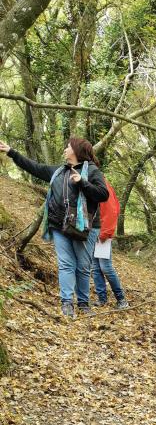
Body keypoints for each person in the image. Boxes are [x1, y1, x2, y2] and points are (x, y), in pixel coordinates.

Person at [0, 136, 109, 317]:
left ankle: (83, 303)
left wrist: (82, 182)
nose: (65, 149)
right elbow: (34, 167)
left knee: (82, 266)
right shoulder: (59, 172)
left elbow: (103, 195)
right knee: (66, 264)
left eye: (68, 147)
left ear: (76, 151)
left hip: (85, 227)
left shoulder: (92, 171)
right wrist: (11, 152)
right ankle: (67, 303)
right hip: (59, 225)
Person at [92, 180, 129, 309]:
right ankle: (102, 299)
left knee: (105, 267)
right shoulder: (88, 182)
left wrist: (105, 232)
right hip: (90, 232)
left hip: (102, 232)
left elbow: (113, 209)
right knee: (95, 268)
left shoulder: (102, 183)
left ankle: (121, 299)